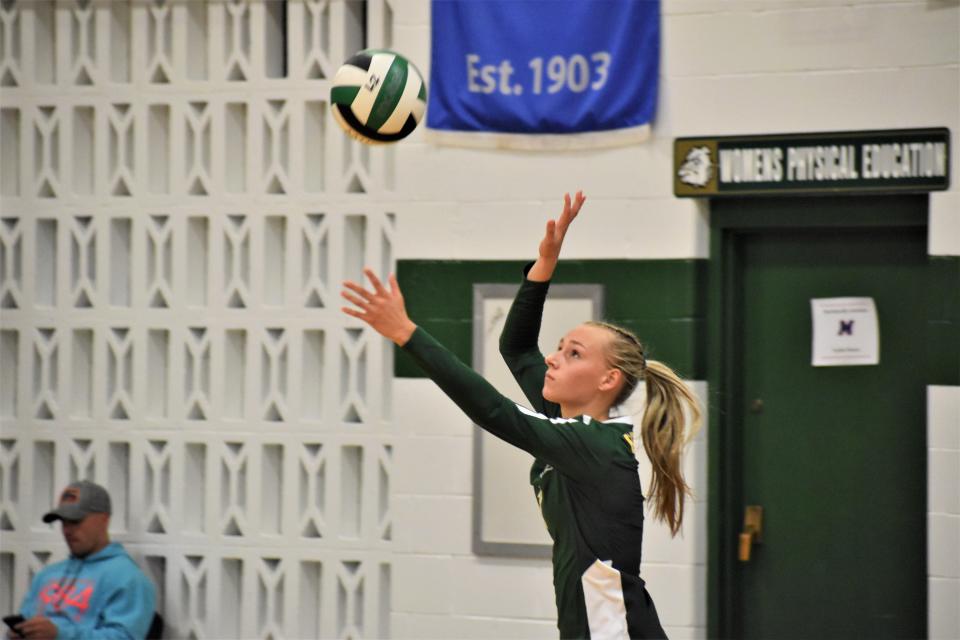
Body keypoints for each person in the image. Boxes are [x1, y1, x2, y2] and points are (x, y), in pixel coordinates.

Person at [341, 192, 702, 639]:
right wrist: (543, 268)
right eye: (559, 348)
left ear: (607, 380)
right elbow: (515, 347)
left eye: (573, 354)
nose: (553, 359)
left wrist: (406, 333)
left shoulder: (596, 445)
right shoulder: (569, 423)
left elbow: (492, 409)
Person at [8, 480, 156, 640]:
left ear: (104, 519)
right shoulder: (46, 575)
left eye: (76, 521)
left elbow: (124, 637)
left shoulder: (129, 580)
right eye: (64, 522)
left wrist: (60, 635)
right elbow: (24, 621)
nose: (67, 530)